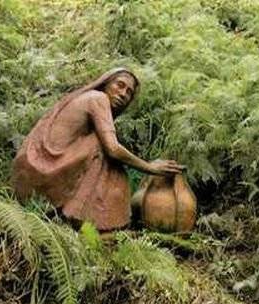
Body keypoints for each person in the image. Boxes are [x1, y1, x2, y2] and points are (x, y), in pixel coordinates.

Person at [12, 68, 183, 230]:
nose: (123, 94)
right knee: (103, 147)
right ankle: (79, 217)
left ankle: (78, 217)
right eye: (120, 85)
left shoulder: (90, 97)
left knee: (101, 145)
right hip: (46, 169)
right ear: (106, 83)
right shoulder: (98, 98)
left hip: (32, 168)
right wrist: (151, 168)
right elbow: (113, 149)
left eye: (129, 92)